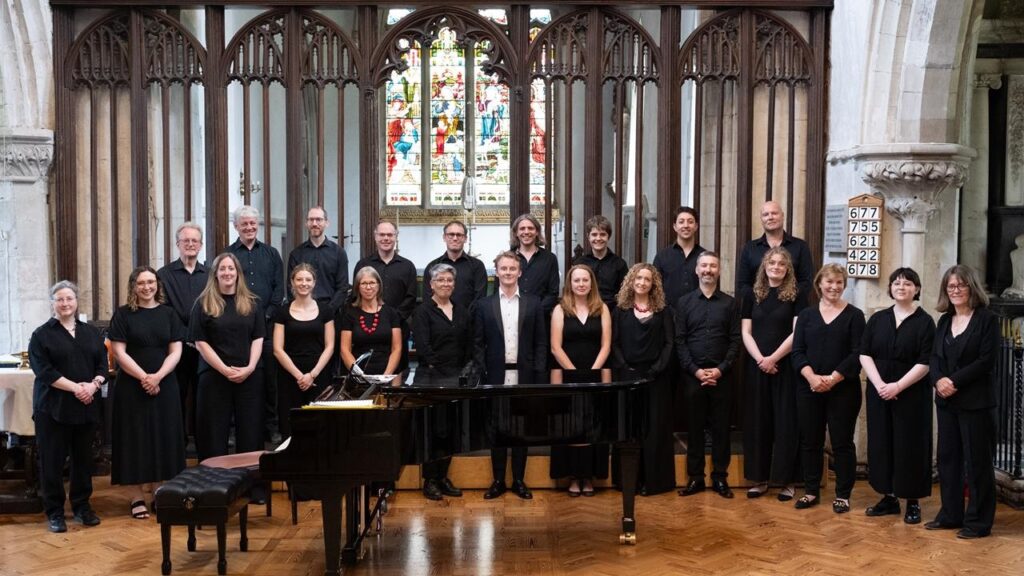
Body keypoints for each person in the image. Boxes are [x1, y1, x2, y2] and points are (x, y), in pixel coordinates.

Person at [926, 265, 999, 539]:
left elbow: (986, 361)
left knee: (977, 462)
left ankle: (979, 522)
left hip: (976, 402)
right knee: (948, 459)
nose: (955, 291)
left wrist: (953, 381)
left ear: (972, 288)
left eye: (960, 285)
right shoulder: (944, 321)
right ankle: (950, 514)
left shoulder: (987, 320)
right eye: (950, 286)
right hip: (946, 402)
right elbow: (934, 357)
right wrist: (938, 381)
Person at [28, 281, 108, 533]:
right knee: (52, 461)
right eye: (60, 299)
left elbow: (102, 365)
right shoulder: (41, 335)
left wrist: (94, 386)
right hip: (53, 408)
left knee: (83, 460)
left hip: (85, 406)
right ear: (52, 303)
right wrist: (77, 388)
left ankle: (82, 507)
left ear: (76, 302)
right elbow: (44, 371)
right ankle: (54, 512)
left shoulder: (91, 333)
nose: (65, 303)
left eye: (69, 299)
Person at [108, 266, 186, 520]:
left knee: (162, 436)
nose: (146, 287)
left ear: (157, 285)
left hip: (165, 384)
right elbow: (119, 353)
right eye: (141, 283)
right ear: (133, 286)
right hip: (132, 386)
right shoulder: (123, 314)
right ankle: (136, 497)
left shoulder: (169, 313)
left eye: (151, 282)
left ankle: (160, 492)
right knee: (134, 439)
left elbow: (175, 351)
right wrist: (144, 377)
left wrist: (158, 377)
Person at [860, 267, 935, 524]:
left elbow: (926, 362)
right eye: (896, 283)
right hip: (879, 391)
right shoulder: (878, 319)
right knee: (882, 443)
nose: (901, 287)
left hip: (911, 395)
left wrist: (898, 386)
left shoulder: (926, 322)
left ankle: (912, 501)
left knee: (909, 445)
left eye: (907, 283)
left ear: (917, 289)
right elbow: (864, 353)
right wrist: (881, 383)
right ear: (890, 288)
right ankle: (889, 497)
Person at [791, 264, 865, 513]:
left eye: (839, 283)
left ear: (844, 286)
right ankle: (811, 491)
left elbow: (858, 353)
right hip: (808, 387)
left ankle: (843, 495)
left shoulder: (855, 315)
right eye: (829, 282)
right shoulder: (806, 315)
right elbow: (798, 351)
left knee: (842, 443)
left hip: (843, 388)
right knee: (810, 441)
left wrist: (833, 378)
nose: (834, 287)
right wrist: (812, 377)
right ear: (819, 284)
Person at [474, 251, 547, 500]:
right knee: (497, 428)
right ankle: (497, 481)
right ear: (496, 272)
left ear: (520, 272)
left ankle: (518, 480)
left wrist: (538, 375)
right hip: (494, 374)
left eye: (512, 269)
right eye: (503, 269)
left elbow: (540, 342)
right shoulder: (484, 305)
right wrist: (482, 372)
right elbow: (478, 343)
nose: (507, 273)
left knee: (520, 428)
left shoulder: (533, 302)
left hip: (525, 374)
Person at [739, 248, 807, 501]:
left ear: (787, 268)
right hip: (757, 366)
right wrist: (761, 360)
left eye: (781, 263)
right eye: (772, 262)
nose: (776, 266)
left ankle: (786, 480)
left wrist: (774, 358)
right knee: (758, 422)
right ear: (764, 266)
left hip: (785, 366)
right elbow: (746, 331)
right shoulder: (751, 293)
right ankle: (759, 478)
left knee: (786, 423)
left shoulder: (796, 295)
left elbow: (797, 332)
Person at [675, 251, 741, 499]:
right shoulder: (684, 303)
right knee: (694, 429)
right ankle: (695, 479)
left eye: (713, 266)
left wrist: (720, 369)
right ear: (696, 270)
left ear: (719, 271)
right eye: (704, 266)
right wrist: (696, 371)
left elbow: (735, 341)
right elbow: (680, 341)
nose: (708, 270)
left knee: (722, 429)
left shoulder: (730, 304)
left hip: (722, 376)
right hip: (693, 376)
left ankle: (720, 478)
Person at [190, 253, 266, 462]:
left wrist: (250, 368)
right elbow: (200, 342)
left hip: (249, 375)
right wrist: (224, 369)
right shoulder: (203, 304)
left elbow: (258, 338)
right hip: (214, 376)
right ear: (215, 274)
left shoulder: (253, 303)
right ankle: (214, 485)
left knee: (251, 430)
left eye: (231, 268)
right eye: (222, 269)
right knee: (213, 432)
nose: (227, 273)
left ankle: (252, 483)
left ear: (238, 273)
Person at [549, 265, 612, 496]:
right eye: (577, 280)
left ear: (591, 283)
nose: (581, 284)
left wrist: (593, 371)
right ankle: (574, 477)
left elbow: (606, 344)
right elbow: (556, 347)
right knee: (570, 426)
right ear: (570, 283)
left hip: (596, 374)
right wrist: (574, 373)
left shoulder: (602, 308)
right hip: (567, 374)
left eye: (585, 280)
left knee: (593, 426)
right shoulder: (560, 309)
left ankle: (589, 476)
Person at [413, 263, 473, 500]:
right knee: (433, 431)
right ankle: (430, 480)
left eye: (449, 280)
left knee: (451, 432)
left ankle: (443, 477)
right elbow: (423, 347)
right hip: (432, 380)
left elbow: (468, 344)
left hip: (458, 379)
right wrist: (442, 369)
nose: (445, 284)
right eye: (441, 280)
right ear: (431, 284)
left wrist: (463, 370)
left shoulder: (462, 311)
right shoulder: (423, 312)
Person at [227, 205, 284, 443]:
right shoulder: (229, 256)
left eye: (253, 223)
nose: (249, 227)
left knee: (269, 378)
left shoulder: (271, 254)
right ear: (236, 227)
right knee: (236, 376)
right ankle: (233, 428)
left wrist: (266, 315)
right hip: (238, 328)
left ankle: (270, 426)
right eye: (244, 224)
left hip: (268, 325)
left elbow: (279, 289)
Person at [157, 222, 207, 445]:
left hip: (205, 347)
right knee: (176, 394)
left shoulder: (210, 275)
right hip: (175, 346)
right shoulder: (164, 275)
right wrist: (186, 336)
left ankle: (201, 439)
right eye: (185, 240)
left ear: (200, 245)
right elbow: (164, 310)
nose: (190, 244)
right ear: (177, 244)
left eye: (194, 240)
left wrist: (199, 338)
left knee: (203, 395)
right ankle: (178, 441)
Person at [272, 263, 335, 438]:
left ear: (314, 283)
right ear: (292, 282)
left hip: (319, 374)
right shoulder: (282, 312)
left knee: (320, 424)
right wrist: (300, 376)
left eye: (308, 279)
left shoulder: (326, 310)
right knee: (291, 423)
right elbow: (277, 349)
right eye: (299, 279)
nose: (303, 283)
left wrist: (312, 375)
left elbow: (330, 346)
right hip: (289, 375)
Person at [353, 221, 416, 371]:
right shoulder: (363, 264)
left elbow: (411, 298)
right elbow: (356, 295)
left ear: (396, 237)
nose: (386, 238)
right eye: (382, 234)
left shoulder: (407, 266)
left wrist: (391, 320)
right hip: (367, 331)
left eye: (390, 235)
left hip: (398, 329)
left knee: (398, 376)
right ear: (375, 237)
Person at [735, 201, 813, 298]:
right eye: (765, 214)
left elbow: (806, 282)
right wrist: (761, 299)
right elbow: (743, 284)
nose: (770, 217)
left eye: (774, 213)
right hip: (757, 307)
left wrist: (784, 298)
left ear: (782, 216)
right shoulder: (750, 248)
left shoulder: (800, 246)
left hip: (792, 307)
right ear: (761, 219)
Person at [338, 266, 403, 375]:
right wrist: (359, 375)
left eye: (372, 282)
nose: (368, 287)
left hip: (386, 373)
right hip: (358, 373)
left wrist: (386, 375)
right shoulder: (350, 314)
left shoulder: (391, 313)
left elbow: (397, 348)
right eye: (363, 283)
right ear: (358, 287)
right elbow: (345, 350)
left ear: (379, 286)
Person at [286, 206, 351, 314]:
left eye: (319, 219)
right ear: (306, 223)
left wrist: (328, 310)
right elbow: (291, 286)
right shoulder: (296, 254)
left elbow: (342, 288)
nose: (314, 223)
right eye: (311, 220)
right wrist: (302, 309)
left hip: (331, 313)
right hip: (302, 313)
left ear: (326, 223)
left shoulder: (339, 253)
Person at [422, 220, 488, 309]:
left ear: (465, 238)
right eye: (451, 234)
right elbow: (428, 298)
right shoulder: (432, 266)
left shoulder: (477, 266)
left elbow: (479, 298)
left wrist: (465, 317)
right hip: (438, 320)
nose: (455, 238)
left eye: (459, 235)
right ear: (444, 237)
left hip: (469, 321)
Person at [653, 206, 705, 308]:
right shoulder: (662, 256)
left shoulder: (704, 256)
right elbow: (654, 288)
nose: (686, 225)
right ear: (675, 226)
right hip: (669, 315)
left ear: (696, 226)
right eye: (681, 222)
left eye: (690, 222)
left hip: (698, 315)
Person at [573, 215, 628, 309]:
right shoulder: (579, 264)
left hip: (612, 313)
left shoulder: (619, 264)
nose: (598, 238)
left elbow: (625, 293)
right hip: (584, 312)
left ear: (608, 236)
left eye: (602, 234)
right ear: (588, 237)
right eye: (594, 234)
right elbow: (572, 291)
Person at [510, 213, 560, 317]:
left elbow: (553, 292)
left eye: (530, 228)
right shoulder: (508, 258)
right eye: (522, 229)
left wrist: (536, 312)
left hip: (541, 317)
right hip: (512, 316)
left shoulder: (550, 258)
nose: (526, 232)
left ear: (537, 232)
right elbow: (499, 290)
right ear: (516, 233)